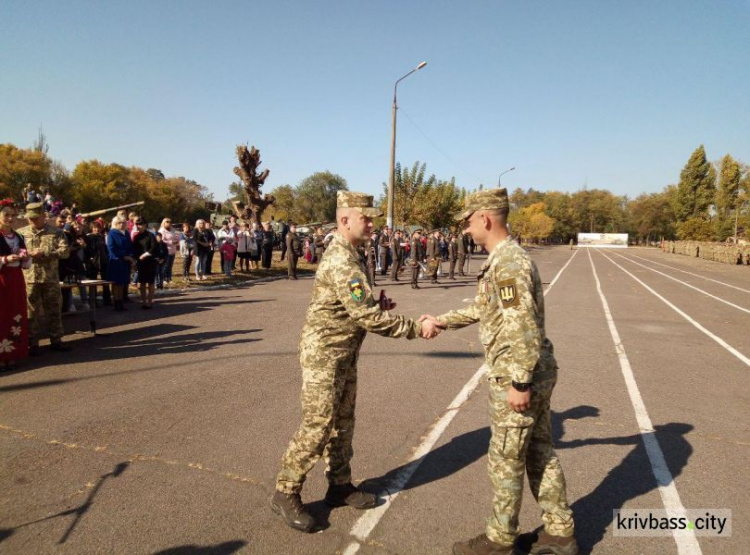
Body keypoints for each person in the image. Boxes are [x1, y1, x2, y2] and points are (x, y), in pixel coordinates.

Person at [271, 191, 445, 533]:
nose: (372, 223)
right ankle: (285, 491)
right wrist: (415, 328)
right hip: (324, 353)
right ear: (344, 220)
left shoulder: (353, 254)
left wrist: (377, 304)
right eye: (366, 218)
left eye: (372, 218)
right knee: (318, 424)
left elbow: (360, 307)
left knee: (343, 421)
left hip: (344, 351)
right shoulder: (341, 260)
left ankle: (339, 485)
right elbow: (366, 316)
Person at [421, 188, 577, 555]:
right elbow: (484, 308)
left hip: (517, 376)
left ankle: (500, 540)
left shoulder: (508, 264)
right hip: (532, 371)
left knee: (506, 459)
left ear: (486, 219)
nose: (467, 230)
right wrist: (441, 320)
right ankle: (560, 532)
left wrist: (519, 382)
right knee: (540, 452)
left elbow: (522, 326)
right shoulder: (503, 260)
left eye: (469, 222)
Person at [18, 202, 72, 355]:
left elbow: (65, 252)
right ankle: (32, 343)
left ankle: (56, 340)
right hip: (29, 279)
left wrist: (45, 253)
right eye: (30, 218)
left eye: (35, 218)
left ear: (44, 216)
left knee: (54, 310)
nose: (32, 221)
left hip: (50, 279)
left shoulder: (56, 233)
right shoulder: (21, 234)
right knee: (30, 313)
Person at [1, 200, 32, 370]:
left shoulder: (18, 236)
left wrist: (26, 258)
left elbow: (25, 261)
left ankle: (12, 355)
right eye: (6, 214)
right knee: (2, 315)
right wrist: (5, 259)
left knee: (16, 313)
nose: (10, 218)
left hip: (16, 279)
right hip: (1, 279)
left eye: (13, 215)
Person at [106, 216, 135, 311]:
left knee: (122, 282)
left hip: (125, 261)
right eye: (119, 223)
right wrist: (123, 256)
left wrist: (130, 255)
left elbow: (130, 246)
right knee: (116, 282)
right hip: (116, 260)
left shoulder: (126, 233)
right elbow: (111, 248)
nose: (122, 224)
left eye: (123, 222)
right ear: (115, 224)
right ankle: (116, 301)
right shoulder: (112, 233)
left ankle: (121, 301)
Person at [84, 220, 112, 306]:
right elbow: (87, 250)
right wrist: (90, 259)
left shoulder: (101, 237)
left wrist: (106, 258)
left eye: (98, 228)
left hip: (103, 261)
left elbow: (104, 249)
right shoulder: (88, 237)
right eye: (95, 228)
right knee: (93, 282)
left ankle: (107, 300)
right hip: (93, 262)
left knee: (105, 281)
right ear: (92, 228)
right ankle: (93, 301)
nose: (96, 230)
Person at [132, 219, 158, 308]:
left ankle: (150, 301)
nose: (139, 226)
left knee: (150, 282)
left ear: (145, 225)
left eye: (140, 224)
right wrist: (134, 261)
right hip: (140, 262)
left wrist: (145, 254)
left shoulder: (151, 235)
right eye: (137, 225)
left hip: (150, 261)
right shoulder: (136, 237)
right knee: (142, 282)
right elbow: (134, 250)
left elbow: (154, 247)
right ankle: (143, 302)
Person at [158, 218, 180, 284]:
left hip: (173, 250)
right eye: (167, 222)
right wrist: (171, 242)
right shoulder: (161, 231)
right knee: (165, 265)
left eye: (170, 222)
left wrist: (177, 240)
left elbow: (176, 236)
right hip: (166, 250)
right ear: (163, 223)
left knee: (170, 265)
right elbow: (162, 240)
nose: (169, 223)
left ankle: (169, 278)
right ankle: (164, 278)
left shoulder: (173, 230)